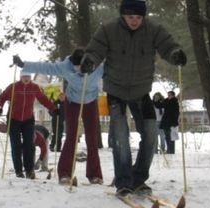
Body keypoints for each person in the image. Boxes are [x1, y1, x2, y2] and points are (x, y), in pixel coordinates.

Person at [79, 0, 187, 195]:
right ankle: (124, 182)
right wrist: (90, 61)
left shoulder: (153, 29)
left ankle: (138, 179)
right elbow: (95, 50)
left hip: (141, 91)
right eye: (130, 17)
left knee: (152, 136)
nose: (135, 21)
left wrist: (175, 54)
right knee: (120, 137)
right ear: (122, 15)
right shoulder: (108, 30)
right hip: (116, 91)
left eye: (139, 17)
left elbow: (167, 45)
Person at [12, 48, 104, 185]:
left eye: (80, 67)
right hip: (72, 101)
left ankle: (95, 174)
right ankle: (65, 173)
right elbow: (46, 67)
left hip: (90, 101)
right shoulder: (65, 67)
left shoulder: (98, 68)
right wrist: (23, 64)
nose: (77, 70)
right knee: (71, 136)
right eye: (75, 67)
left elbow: (115, 68)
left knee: (92, 137)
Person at [0, 71, 57, 179]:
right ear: (20, 77)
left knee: (29, 145)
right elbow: (2, 97)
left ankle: (29, 170)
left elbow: (43, 98)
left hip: (28, 119)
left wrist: (53, 108)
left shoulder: (34, 87)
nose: (26, 79)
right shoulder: (13, 87)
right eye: (24, 76)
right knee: (16, 145)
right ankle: (19, 171)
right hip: (13, 119)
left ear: (31, 77)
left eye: (28, 76)